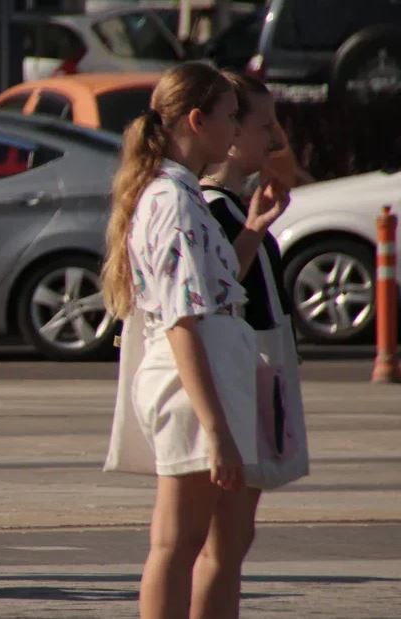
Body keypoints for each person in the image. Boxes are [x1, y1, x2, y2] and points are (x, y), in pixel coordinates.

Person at [100, 62, 290, 619]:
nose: (238, 130)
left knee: (191, 542)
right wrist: (216, 430)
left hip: (204, 376)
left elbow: (214, 280)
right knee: (176, 544)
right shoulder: (174, 199)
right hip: (192, 386)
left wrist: (252, 231)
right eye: (231, 117)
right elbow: (184, 320)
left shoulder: (173, 194)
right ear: (197, 119)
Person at [201, 71, 308, 491]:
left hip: (258, 380)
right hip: (242, 383)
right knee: (222, 534)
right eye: (264, 126)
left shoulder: (232, 210)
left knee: (236, 533)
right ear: (229, 130)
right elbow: (218, 294)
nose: (277, 140)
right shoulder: (210, 212)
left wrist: (257, 226)